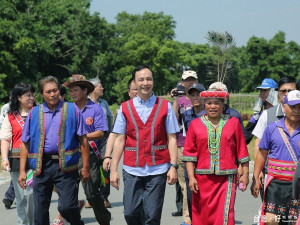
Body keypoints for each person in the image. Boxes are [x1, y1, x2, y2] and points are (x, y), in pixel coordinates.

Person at [110, 65, 179, 225]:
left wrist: (173, 166)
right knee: (130, 212)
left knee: (152, 215)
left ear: (153, 82)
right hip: (132, 168)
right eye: (141, 79)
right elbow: (120, 139)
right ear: (134, 83)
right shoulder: (124, 107)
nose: (145, 83)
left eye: (149, 79)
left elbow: (172, 138)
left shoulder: (165, 106)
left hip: (158, 168)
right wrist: (114, 169)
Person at [18, 76, 91, 225]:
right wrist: (22, 171)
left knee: (68, 207)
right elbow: (25, 143)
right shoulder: (34, 113)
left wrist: (86, 167)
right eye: (48, 91)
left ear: (59, 91)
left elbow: (83, 140)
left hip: (66, 167)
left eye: (55, 90)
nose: (52, 94)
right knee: (40, 211)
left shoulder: (72, 109)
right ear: (41, 94)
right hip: (41, 167)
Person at [183, 87, 250, 225]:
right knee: (202, 216)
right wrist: (191, 177)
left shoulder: (233, 123)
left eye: (217, 103)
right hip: (201, 180)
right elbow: (189, 154)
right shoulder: (195, 125)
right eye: (209, 103)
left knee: (225, 216)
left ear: (223, 105)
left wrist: (245, 173)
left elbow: (242, 151)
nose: (213, 106)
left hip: (227, 180)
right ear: (204, 104)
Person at [64, 74, 111, 225]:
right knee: (67, 193)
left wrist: (81, 137)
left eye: (76, 90)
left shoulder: (95, 108)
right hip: (70, 155)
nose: (73, 94)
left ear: (85, 91)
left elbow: (101, 132)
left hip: (90, 156)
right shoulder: (67, 109)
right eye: (71, 91)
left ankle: (104, 220)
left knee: (91, 193)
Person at [251, 90, 300, 224]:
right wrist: (255, 177)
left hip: (297, 184)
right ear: (284, 107)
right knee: (271, 220)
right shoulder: (272, 128)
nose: (296, 110)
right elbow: (261, 154)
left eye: (299, 107)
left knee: (293, 221)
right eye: (292, 106)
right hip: (275, 183)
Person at [0, 82, 35, 224]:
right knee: (21, 197)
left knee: (31, 195)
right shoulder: (11, 116)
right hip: (15, 161)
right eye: (28, 95)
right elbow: (5, 138)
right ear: (19, 97)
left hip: (34, 161)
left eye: (33, 94)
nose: (32, 97)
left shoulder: (39, 112)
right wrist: (4, 158)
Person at [170, 70, 198, 223]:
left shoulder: (202, 98)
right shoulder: (180, 101)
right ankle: (188, 218)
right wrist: (175, 99)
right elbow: (174, 121)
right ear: (182, 82)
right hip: (182, 145)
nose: (190, 82)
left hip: (200, 147)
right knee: (185, 185)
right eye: (187, 80)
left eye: (193, 79)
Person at [102, 78, 137, 172]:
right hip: (132, 163)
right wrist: (108, 156)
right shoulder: (124, 109)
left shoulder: (155, 107)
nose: (139, 91)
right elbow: (114, 134)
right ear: (129, 92)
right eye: (135, 89)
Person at [89, 77, 113, 208]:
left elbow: (110, 118)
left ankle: (104, 197)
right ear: (93, 88)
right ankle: (92, 196)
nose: (102, 88)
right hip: (90, 141)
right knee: (92, 170)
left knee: (105, 168)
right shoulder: (85, 103)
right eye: (100, 86)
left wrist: (110, 135)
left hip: (104, 140)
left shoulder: (103, 103)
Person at [244, 78, 278, 144]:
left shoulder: (281, 111)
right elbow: (247, 134)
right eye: (261, 91)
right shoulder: (258, 113)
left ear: (273, 92)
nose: (262, 93)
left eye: (265, 91)